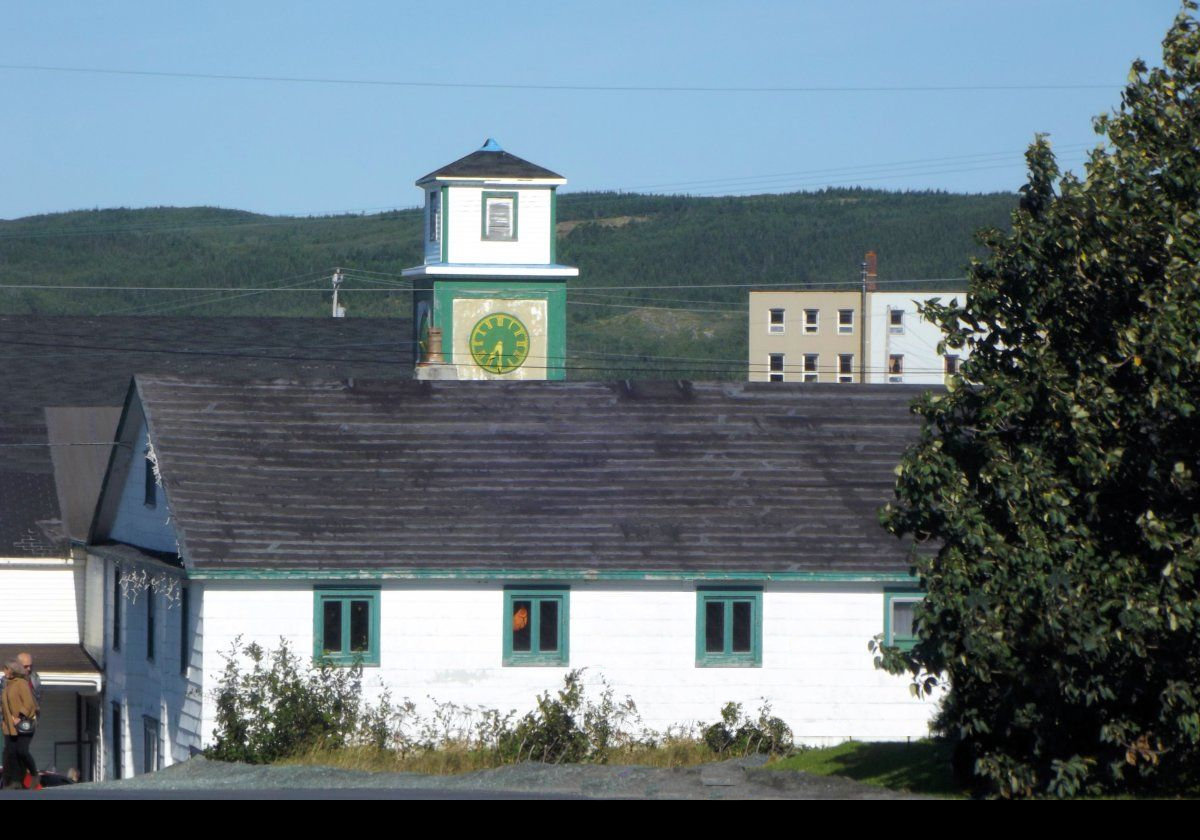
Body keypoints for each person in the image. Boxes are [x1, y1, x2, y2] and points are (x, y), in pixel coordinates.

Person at [1, 660, 40, 791]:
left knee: (21, 751)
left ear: (13, 670)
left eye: (7, 669)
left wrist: (19, 717)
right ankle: (14, 781)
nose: (4, 672)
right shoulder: (7, 684)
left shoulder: (21, 684)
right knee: (11, 753)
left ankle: (34, 774)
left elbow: (29, 703)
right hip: (8, 725)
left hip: (23, 724)